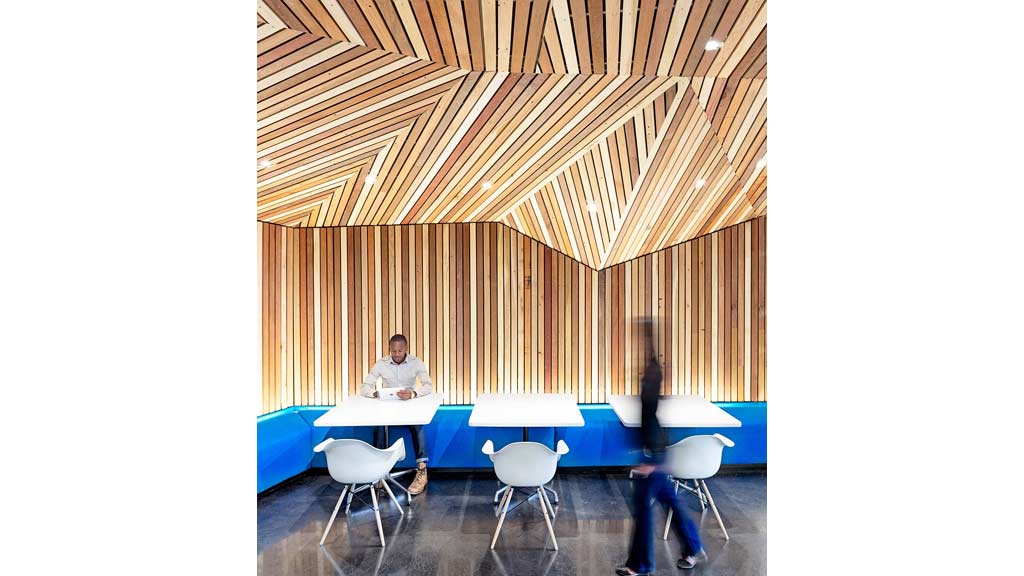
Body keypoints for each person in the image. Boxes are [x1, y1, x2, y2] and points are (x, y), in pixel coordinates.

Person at [616, 319, 707, 575]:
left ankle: (639, 565)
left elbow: (649, 415)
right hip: (656, 450)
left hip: (654, 452)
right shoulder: (652, 372)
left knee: (643, 506)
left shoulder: (653, 375)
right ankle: (692, 547)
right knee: (669, 500)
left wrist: (651, 457)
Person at [359, 333, 433, 494]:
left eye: (399, 351)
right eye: (393, 351)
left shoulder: (416, 362)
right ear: (389, 350)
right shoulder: (381, 363)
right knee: (378, 425)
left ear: (405, 349)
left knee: (418, 424)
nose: (397, 354)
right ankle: (378, 470)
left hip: (409, 406)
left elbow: (428, 386)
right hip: (387, 407)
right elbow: (364, 387)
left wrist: (413, 393)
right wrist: (374, 393)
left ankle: (422, 470)